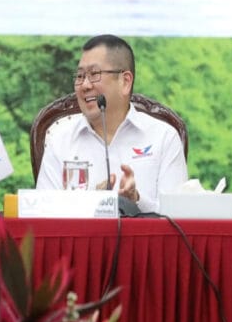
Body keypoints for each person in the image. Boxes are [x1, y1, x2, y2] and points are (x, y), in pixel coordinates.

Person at [36, 34, 188, 213]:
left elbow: (179, 218)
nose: (84, 85)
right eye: (79, 76)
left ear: (125, 82)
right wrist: (93, 202)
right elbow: (42, 216)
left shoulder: (163, 137)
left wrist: (136, 201)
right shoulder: (60, 139)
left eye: (94, 74)